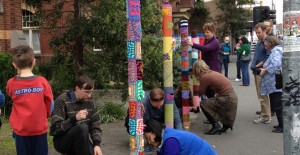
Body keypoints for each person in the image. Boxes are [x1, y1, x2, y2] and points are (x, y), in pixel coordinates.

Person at [6, 45, 53, 155]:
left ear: (14, 65)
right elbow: (50, 102)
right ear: (34, 62)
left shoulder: (11, 83)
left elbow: (10, 94)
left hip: (21, 130)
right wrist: (45, 115)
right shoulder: (42, 82)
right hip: (39, 128)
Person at [50, 74, 103, 155]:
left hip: (81, 140)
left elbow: (95, 124)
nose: (89, 95)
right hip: (62, 141)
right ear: (77, 88)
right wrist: (74, 119)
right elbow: (55, 130)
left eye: (91, 92)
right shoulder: (62, 100)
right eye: (86, 92)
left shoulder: (91, 101)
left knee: (95, 152)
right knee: (82, 127)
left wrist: (97, 144)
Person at [193, 60, 238, 135]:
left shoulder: (205, 77)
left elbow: (200, 93)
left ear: (196, 69)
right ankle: (225, 124)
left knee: (203, 104)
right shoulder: (211, 73)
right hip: (231, 97)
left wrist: (193, 91)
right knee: (211, 99)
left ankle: (216, 126)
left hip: (227, 98)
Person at [144, 119, 217, 155]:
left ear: (155, 131)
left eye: (149, 138)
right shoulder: (166, 135)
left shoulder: (170, 141)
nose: (149, 142)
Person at [258, 36, 283, 133]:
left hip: (275, 82)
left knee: (278, 104)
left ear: (271, 43)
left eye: (265, 44)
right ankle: (280, 124)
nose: (265, 47)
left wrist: (265, 71)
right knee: (276, 104)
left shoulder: (276, 51)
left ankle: (282, 126)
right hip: (274, 82)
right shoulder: (276, 50)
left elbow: (276, 64)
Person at [251, 23, 271, 124]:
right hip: (257, 70)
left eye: (259, 32)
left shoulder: (266, 41)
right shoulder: (260, 41)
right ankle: (265, 114)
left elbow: (269, 56)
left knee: (262, 95)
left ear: (264, 31)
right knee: (261, 95)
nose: (257, 34)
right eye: (256, 33)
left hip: (260, 71)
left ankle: (266, 116)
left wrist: (260, 64)